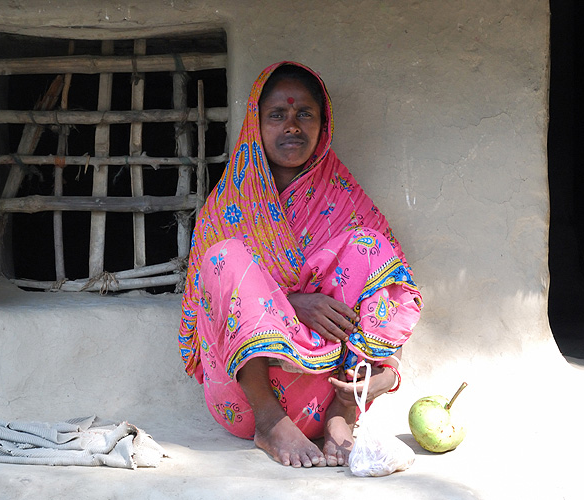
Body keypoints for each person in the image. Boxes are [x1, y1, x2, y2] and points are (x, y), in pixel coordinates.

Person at [179, 61, 422, 468]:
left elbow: (388, 294)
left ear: (322, 125)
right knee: (223, 258)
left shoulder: (345, 198)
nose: (292, 125)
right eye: (277, 115)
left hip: (329, 391)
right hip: (247, 396)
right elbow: (205, 308)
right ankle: (271, 425)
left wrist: (386, 371)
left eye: (304, 113)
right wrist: (293, 303)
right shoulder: (226, 207)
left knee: (370, 246)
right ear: (256, 125)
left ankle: (340, 422)